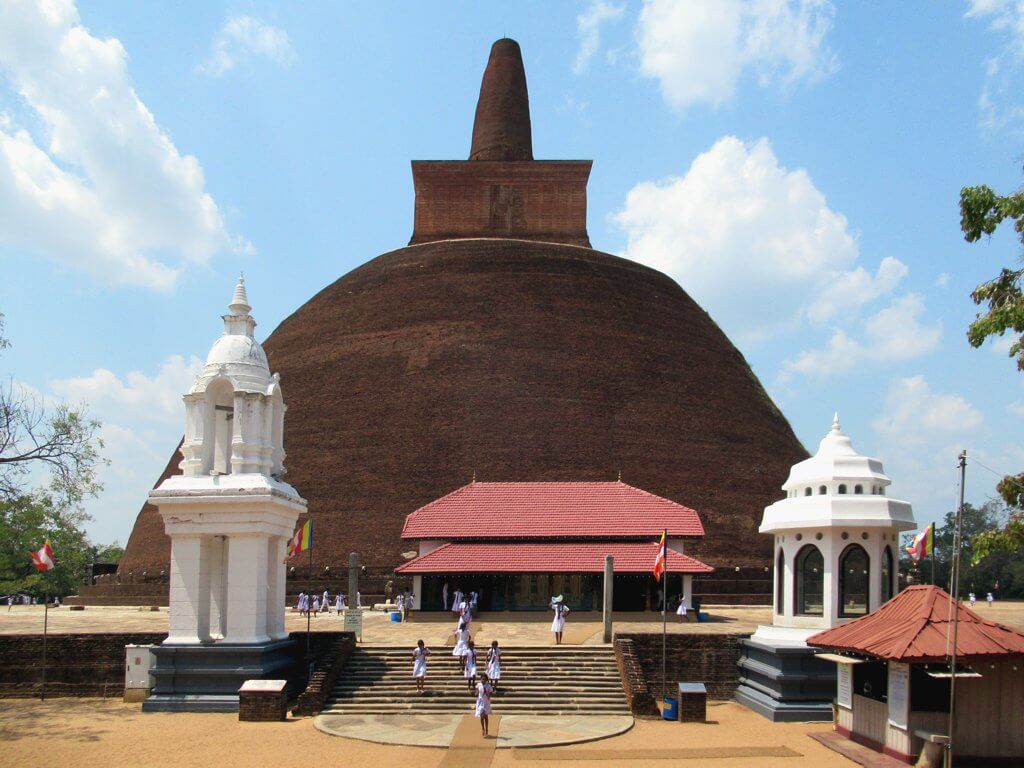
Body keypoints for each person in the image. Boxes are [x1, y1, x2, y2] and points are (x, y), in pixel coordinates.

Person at [475, 672, 493, 737]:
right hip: (480, 702)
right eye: (482, 679)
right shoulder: (478, 685)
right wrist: (477, 692)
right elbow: (476, 693)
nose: (483, 680)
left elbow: (490, 695)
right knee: (482, 716)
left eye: (484, 679)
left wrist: (486, 692)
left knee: (486, 716)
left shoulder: (488, 686)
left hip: (486, 702)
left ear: (486, 680)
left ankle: (487, 729)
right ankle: (483, 729)